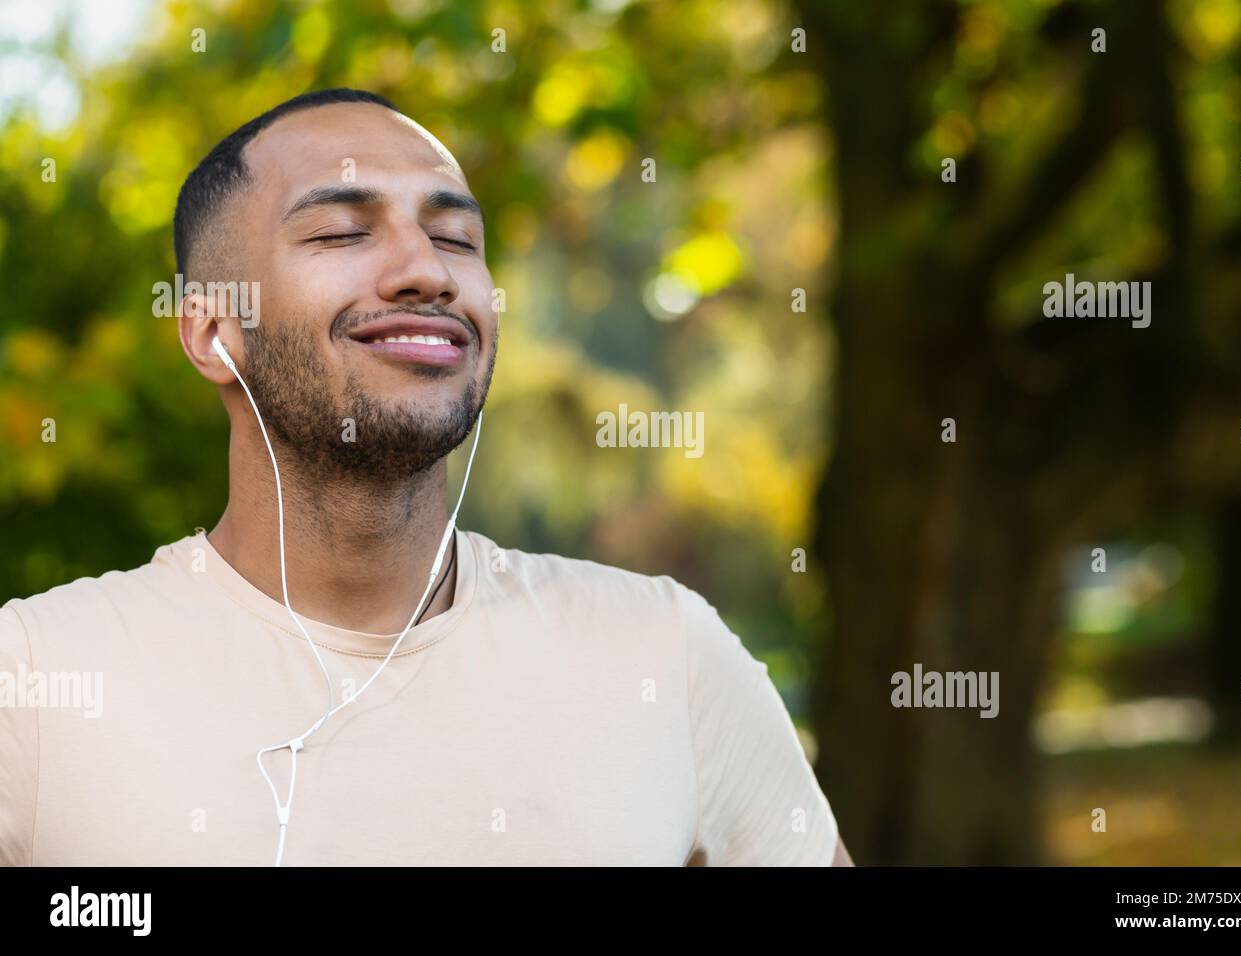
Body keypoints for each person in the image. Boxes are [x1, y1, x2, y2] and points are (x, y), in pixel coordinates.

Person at [0, 88, 851, 867]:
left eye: (455, 239)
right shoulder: (36, 678)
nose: (428, 272)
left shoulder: (666, 654)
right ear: (215, 333)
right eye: (340, 231)